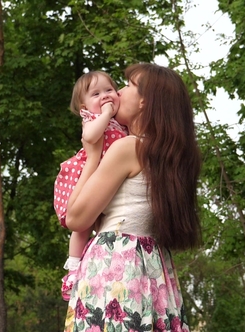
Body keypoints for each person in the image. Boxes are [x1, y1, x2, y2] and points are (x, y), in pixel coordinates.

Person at [63, 63, 202, 332]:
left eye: (127, 86)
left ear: (144, 102)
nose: (118, 93)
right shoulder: (172, 157)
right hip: (155, 265)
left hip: (117, 262)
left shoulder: (128, 148)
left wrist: (92, 155)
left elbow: (76, 218)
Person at [53, 71, 128, 301]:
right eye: (96, 94)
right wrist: (105, 113)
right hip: (87, 175)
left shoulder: (121, 123)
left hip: (107, 178)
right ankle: (73, 269)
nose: (104, 96)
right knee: (81, 226)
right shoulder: (92, 119)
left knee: (101, 224)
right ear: (83, 105)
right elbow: (91, 136)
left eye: (109, 90)